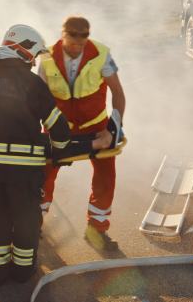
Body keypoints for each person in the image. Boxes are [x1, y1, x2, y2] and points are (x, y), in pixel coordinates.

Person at [0, 24, 110, 285]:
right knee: (25, 220)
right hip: (22, 169)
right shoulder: (31, 83)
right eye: (34, 57)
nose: (34, 63)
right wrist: (64, 149)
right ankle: (22, 272)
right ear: (26, 52)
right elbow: (58, 129)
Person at [38, 16, 126, 252]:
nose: (79, 40)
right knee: (41, 175)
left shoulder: (101, 54)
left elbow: (118, 93)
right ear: (62, 33)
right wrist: (36, 133)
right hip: (58, 127)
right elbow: (37, 99)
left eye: (84, 34)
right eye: (73, 34)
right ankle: (33, 224)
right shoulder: (45, 57)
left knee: (106, 176)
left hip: (95, 126)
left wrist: (112, 130)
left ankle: (96, 230)